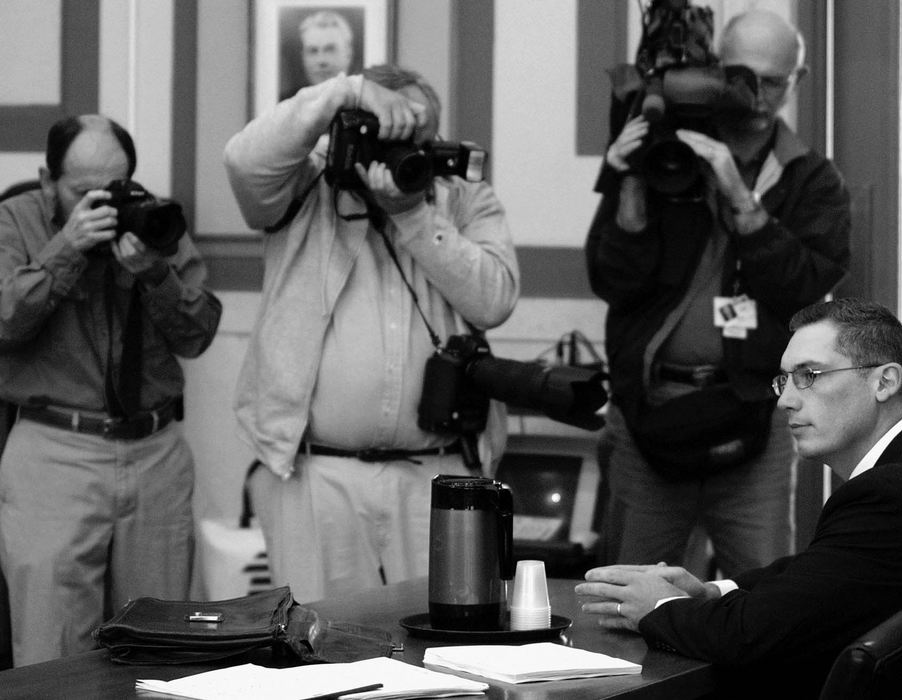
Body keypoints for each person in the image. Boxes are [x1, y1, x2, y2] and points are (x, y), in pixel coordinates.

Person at [577, 298, 902, 698]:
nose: (787, 399)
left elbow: (753, 636)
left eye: (809, 375)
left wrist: (658, 605)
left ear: (884, 381)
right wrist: (713, 591)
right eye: (784, 380)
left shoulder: (896, 493)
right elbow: (817, 572)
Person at [224, 64, 519, 603]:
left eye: (419, 136)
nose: (405, 152)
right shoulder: (305, 185)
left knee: (445, 642)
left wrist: (412, 215)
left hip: (441, 470)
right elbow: (241, 160)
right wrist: (349, 90)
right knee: (319, 647)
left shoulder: (463, 196)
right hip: (316, 472)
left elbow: (494, 299)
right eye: (390, 134)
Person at [585, 8, 850, 574]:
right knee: (625, 601)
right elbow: (614, 282)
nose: (754, 96)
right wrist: (631, 178)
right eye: (739, 76)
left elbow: (804, 290)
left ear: (797, 81)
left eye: (773, 81)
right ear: (710, 70)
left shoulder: (810, 178)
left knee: (763, 599)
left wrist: (740, 198)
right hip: (650, 412)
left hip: (754, 413)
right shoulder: (665, 153)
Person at [0, 115, 222, 666]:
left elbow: (198, 334)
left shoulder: (154, 221)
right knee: (51, 647)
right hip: (56, 453)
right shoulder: (15, 220)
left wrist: (156, 274)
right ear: (48, 181)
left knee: (162, 643)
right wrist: (66, 248)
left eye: (117, 185)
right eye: (83, 191)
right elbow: (4, 320)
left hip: (155, 454)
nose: (103, 202)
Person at [297, 10, 355, 88]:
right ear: (303, 57)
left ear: (348, 54)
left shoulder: (368, 98)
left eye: (330, 50)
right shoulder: (285, 99)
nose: (321, 61)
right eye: (313, 51)